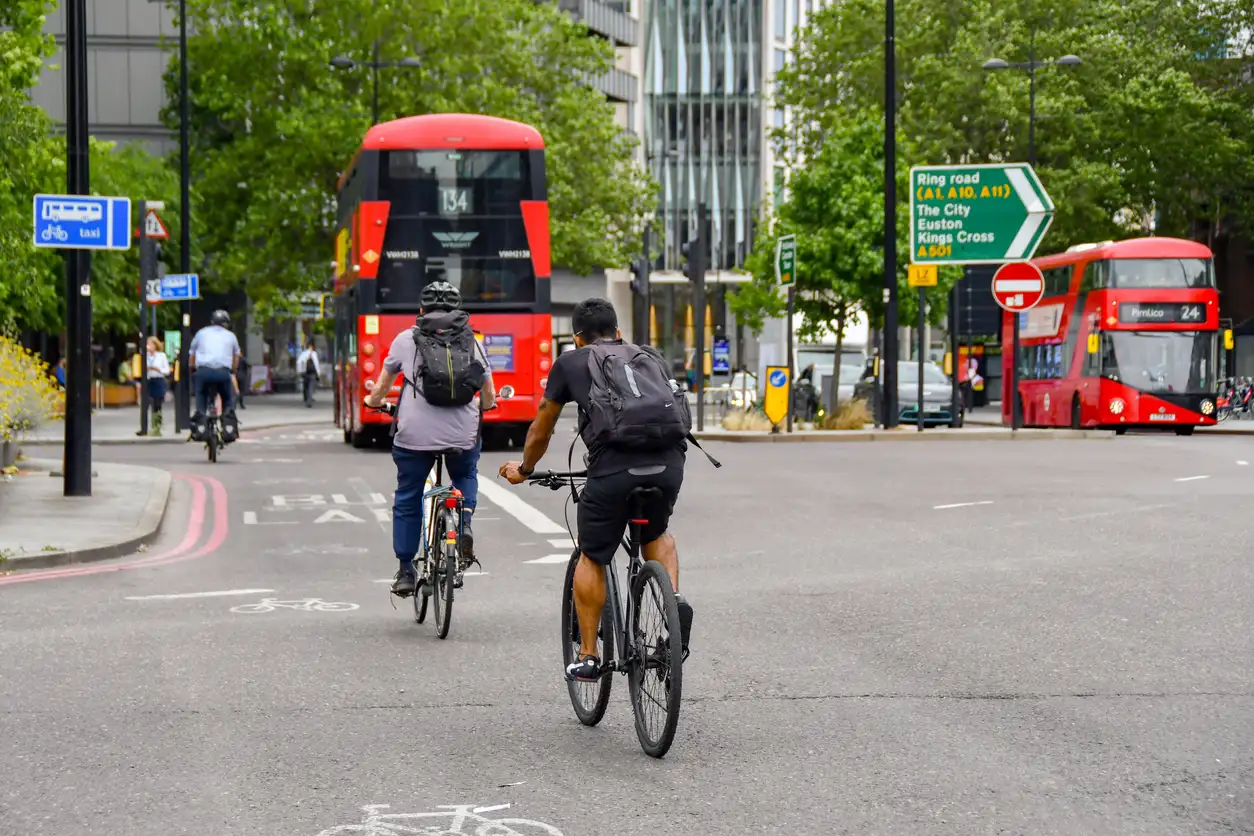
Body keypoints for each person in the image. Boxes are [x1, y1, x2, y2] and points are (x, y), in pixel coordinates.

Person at [499, 297, 694, 682]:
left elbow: (542, 427)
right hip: (669, 463)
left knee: (592, 554)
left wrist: (525, 469)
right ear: (618, 332)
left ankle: (588, 655)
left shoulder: (570, 363)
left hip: (614, 470)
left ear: (576, 339)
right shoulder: (649, 355)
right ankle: (672, 605)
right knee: (657, 531)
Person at [364, 281, 496, 595]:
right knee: (465, 473)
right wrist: (488, 405)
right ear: (458, 310)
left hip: (414, 435)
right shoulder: (472, 341)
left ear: (421, 310)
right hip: (462, 433)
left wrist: (373, 401)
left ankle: (406, 571)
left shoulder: (404, 339)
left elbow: (382, 388)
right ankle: (462, 524)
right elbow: (488, 393)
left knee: (408, 496)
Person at [189, 309, 241, 431]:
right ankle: (227, 421)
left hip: (203, 371)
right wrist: (233, 370)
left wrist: (192, 368)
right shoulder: (231, 336)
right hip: (222, 372)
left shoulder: (201, 333)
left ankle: (201, 417)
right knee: (227, 397)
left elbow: (192, 353)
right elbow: (236, 356)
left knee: (201, 394)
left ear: (212, 321)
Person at [145, 337, 171, 435]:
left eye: (150, 344)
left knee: (157, 404)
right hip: (148, 380)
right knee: (146, 404)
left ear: (155, 345)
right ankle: (145, 427)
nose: (148, 346)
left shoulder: (161, 356)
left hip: (158, 380)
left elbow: (167, 370)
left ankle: (157, 427)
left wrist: (158, 370)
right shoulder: (145, 356)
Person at [297, 340, 320, 407]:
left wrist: (300, 371)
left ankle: (306, 398)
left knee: (306, 386)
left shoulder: (303, 354)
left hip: (305, 373)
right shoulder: (313, 353)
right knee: (310, 387)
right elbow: (316, 364)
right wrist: (318, 373)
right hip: (312, 373)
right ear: (311, 346)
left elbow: (298, 363)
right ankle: (309, 402)